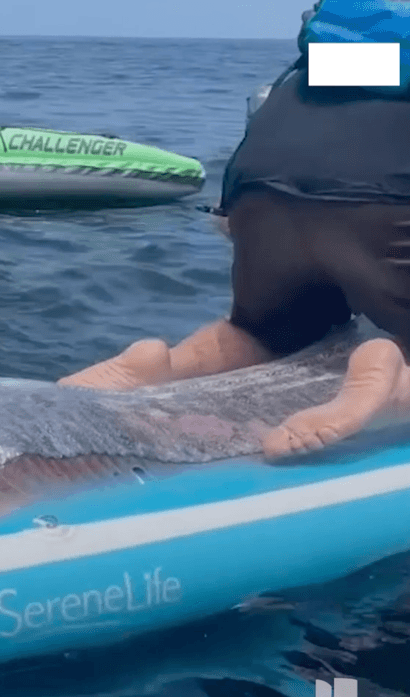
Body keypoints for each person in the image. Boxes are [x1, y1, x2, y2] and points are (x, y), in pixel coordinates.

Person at [59, 8, 410, 460]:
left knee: (260, 331)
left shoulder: (317, 68)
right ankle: (385, 379)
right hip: (375, 206)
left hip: (259, 198)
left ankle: (163, 365)